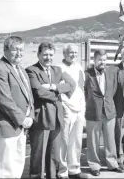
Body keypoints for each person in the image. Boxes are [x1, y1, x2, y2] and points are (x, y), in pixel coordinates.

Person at [25, 42, 76, 179]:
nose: (48, 57)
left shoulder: (57, 70)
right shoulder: (31, 70)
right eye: (45, 54)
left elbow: (71, 85)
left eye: (51, 55)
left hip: (56, 118)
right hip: (41, 118)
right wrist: (57, 93)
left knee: (54, 155)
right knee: (38, 155)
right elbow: (38, 92)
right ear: (38, 55)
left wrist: (53, 86)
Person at [0, 36, 34, 178]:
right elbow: (4, 100)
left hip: (20, 128)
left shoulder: (21, 70)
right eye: (15, 50)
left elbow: (29, 96)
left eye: (21, 50)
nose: (19, 53)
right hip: (5, 128)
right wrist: (22, 119)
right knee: (5, 170)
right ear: (5, 50)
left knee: (17, 166)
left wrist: (30, 116)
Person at [84, 49, 124, 176]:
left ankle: (112, 164)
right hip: (93, 112)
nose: (102, 62)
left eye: (104, 59)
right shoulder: (86, 74)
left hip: (109, 111)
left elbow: (116, 90)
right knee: (93, 141)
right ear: (94, 60)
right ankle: (94, 165)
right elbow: (84, 93)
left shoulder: (112, 71)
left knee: (110, 140)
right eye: (100, 59)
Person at [56, 43, 88, 179]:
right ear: (64, 54)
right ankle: (62, 172)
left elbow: (81, 89)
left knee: (76, 140)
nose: (73, 55)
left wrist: (83, 109)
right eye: (70, 52)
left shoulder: (79, 67)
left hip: (79, 109)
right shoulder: (58, 68)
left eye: (75, 52)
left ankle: (74, 169)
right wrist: (64, 105)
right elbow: (58, 89)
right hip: (65, 108)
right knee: (63, 140)